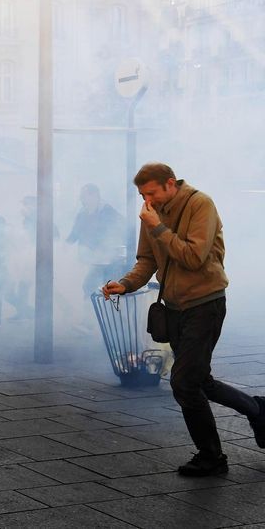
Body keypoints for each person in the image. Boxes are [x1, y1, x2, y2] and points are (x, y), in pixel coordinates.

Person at [103, 163, 265, 477]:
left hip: (205, 303)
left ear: (169, 184)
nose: (147, 200)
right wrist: (126, 284)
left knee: (184, 382)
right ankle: (258, 409)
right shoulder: (152, 213)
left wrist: (158, 227)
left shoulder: (200, 204)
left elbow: (193, 256)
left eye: (151, 193)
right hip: (174, 307)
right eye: (142, 195)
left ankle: (211, 456)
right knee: (200, 380)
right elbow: (147, 259)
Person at [66, 183, 124, 298]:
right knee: (89, 287)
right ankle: (89, 307)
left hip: (107, 260)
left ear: (95, 196)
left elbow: (120, 229)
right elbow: (75, 232)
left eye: (84, 196)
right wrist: (65, 245)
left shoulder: (107, 211)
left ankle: (101, 307)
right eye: (81, 196)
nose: (81, 199)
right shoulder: (82, 213)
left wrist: (106, 246)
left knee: (96, 286)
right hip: (90, 258)